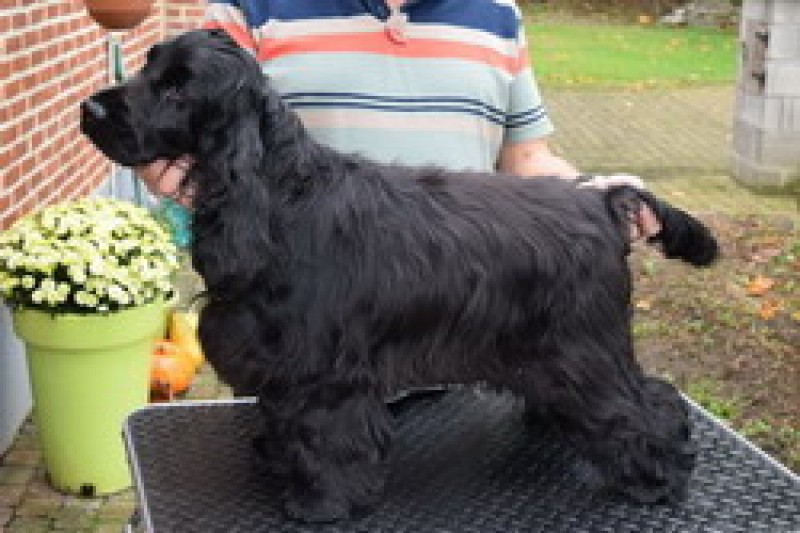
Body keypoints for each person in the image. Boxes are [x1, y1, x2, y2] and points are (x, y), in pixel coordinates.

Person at [137, 0, 659, 238]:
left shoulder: (497, 15)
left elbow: (525, 158)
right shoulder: (250, 9)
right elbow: (187, 135)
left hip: (467, 333)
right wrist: (176, 174)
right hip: (309, 342)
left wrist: (594, 194)